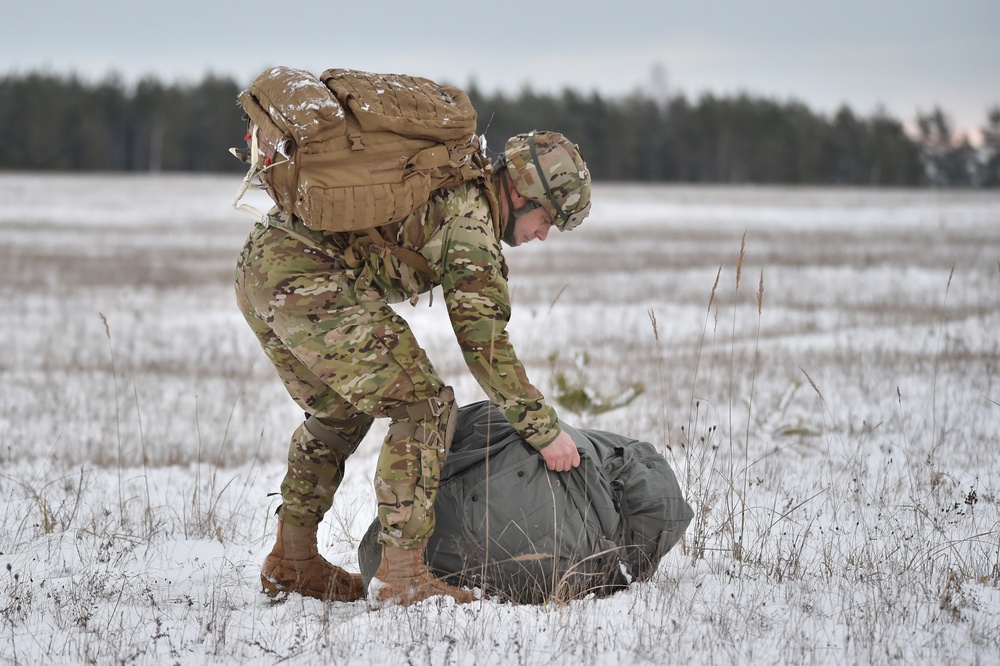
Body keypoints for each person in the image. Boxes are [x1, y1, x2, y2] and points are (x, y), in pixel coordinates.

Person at [234, 129, 592, 607]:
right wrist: (544, 431)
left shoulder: (455, 183)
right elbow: (484, 345)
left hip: (261, 266)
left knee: (341, 411)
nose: (542, 235)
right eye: (546, 218)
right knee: (424, 406)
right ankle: (401, 577)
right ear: (520, 190)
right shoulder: (471, 222)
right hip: (308, 279)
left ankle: (292, 561)